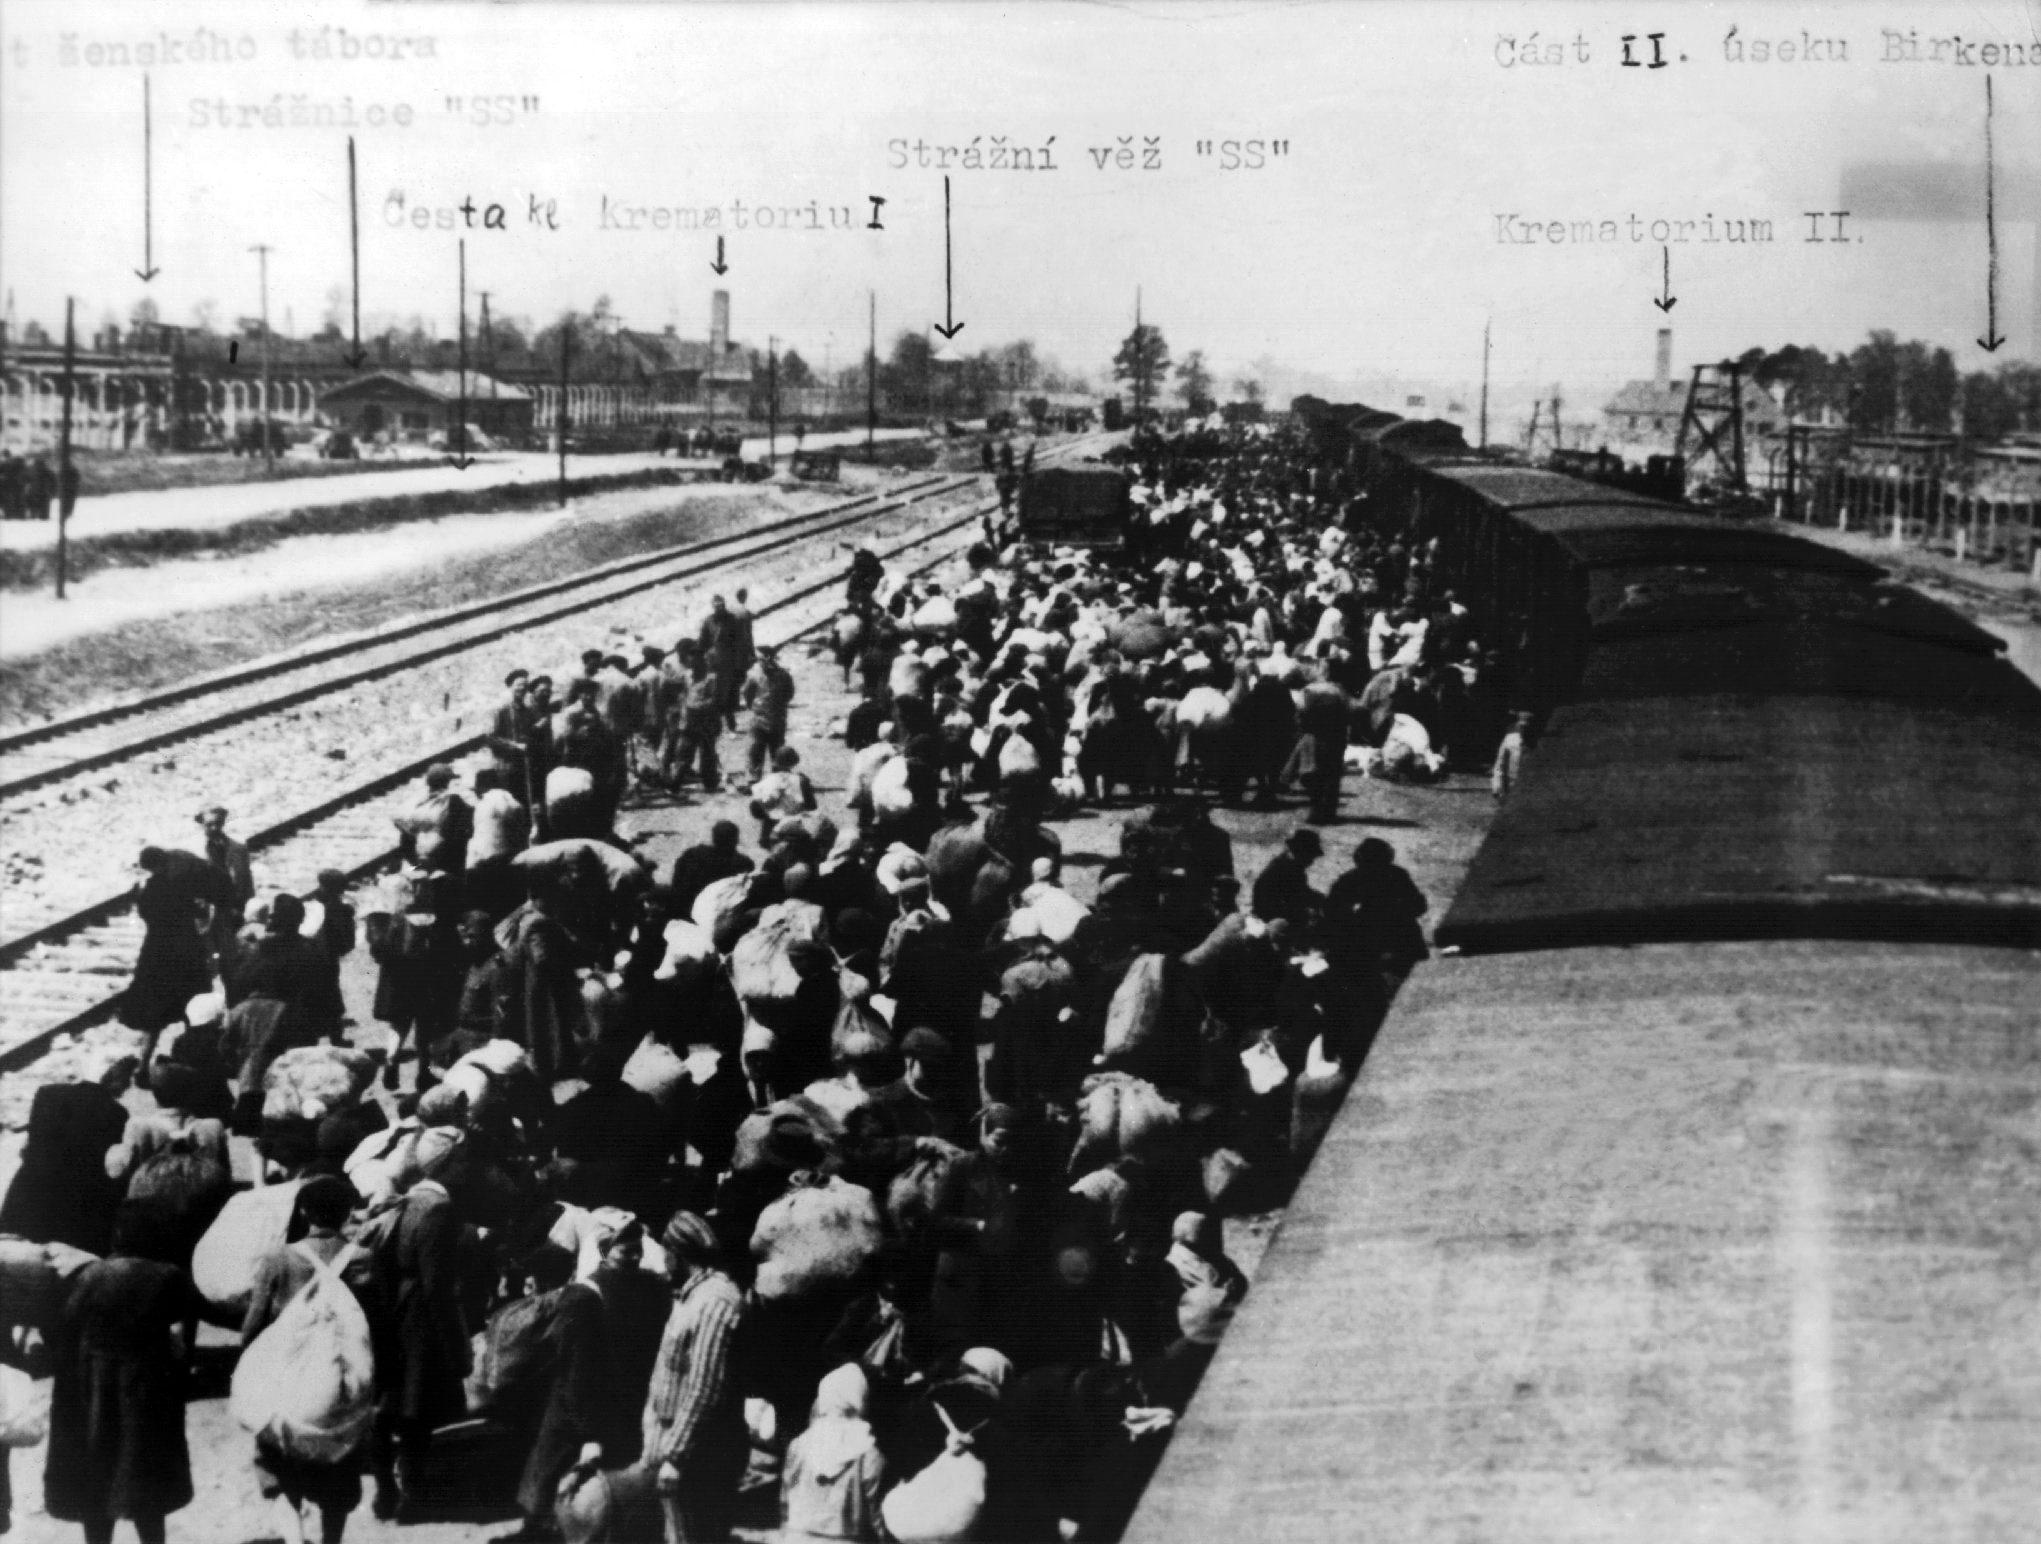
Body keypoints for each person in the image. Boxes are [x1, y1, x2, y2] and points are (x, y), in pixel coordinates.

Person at [43, 1199, 202, 1544]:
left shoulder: (87, 1275)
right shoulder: (168, 1277)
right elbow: (182, 1343)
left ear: (117, 1234)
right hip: (145, 1389)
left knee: (96, 1474)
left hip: (92, 1388)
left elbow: (63, 1331)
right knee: (146, 1475)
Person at [241, 1176, 367, 1544]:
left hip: (286, 1381)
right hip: (345, 1381)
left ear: (302, 1211)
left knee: (279, 1462)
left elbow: (253, 1327)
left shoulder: (278, 1260)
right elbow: (376, 1324)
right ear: (346, 1213)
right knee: (339, 1467)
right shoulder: (363, 1259)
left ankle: (294, 1538)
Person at [364, 1142, 473, 1524]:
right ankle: (410, 1493)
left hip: (388, 1312)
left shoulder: (405, 1201)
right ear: (445, 1169)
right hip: (418, 1319)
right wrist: (455, 1346)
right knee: (415, 1412)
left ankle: (384, 1491)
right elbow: (436, 1285)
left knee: (383, 1407)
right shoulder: (438, 1210)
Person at [638, 1211, 750, 1544]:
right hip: (680, 1443)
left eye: (665, 1252)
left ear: (679, 1253)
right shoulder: (691, 1296)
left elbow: (705, 1386)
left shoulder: (715, 1301)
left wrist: (675, 1457)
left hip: (702, 1452)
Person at [119, 846, 238, 1045]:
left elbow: (146, 913)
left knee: (155, 1009)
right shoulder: (177, 876)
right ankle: (196, 1043)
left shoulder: (155, 887)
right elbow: (197, 910)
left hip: (157, 949)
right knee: (191, 998)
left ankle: (145, 1061)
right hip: (185, 947)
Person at [778, 1364, 887, 1544]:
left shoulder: (800, 1445)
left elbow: (789, 1489)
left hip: (797, 1536)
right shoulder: (867, 1450)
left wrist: (785, 1528)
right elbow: (876, 1510)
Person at [667, 821, 753, 917]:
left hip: (685, 910)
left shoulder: (691, 855)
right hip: (719, 917)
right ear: (736, 840)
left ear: (713, 838)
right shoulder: (743, 864)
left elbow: (676, 882)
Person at [740, 644, 796, 784]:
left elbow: (789, 693)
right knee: (755, 750)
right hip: (761, 717)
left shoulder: (783, 674)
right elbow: (747, 693)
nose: (759, 661)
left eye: (760, 658)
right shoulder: (754, 674)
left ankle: (777, 779)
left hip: (776, 717)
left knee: (775, 749)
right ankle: (753, 780)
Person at [1251, 827, 1325, 930]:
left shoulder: (1292, 865)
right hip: (1270, 920)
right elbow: (1291, 899)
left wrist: (1321, 899)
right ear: (1301, 852)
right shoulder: (1283, 869)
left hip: (1277, 913)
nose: (1312, 861)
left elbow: (1301, 892)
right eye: (1310, 856)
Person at [697, 594, 748, 735]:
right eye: (716, 606)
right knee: (714, 695)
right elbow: (702, 641)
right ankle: (715, 726)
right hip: (713, 664)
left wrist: (740, 665)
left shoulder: (733, 620)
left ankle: (731, 724)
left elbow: (740, 643)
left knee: (730, 695)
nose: (719, 608)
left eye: (721, 605)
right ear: (713, 607)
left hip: (730, 663)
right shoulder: (709, 621)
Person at [747, 745, 817, 847]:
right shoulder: (801, 780)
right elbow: (812, 806)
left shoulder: (768, 779)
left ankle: (766, 835)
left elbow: (755, 804)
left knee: (770, 809)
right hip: (793, 818)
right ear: (794, 762)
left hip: (771, 817)